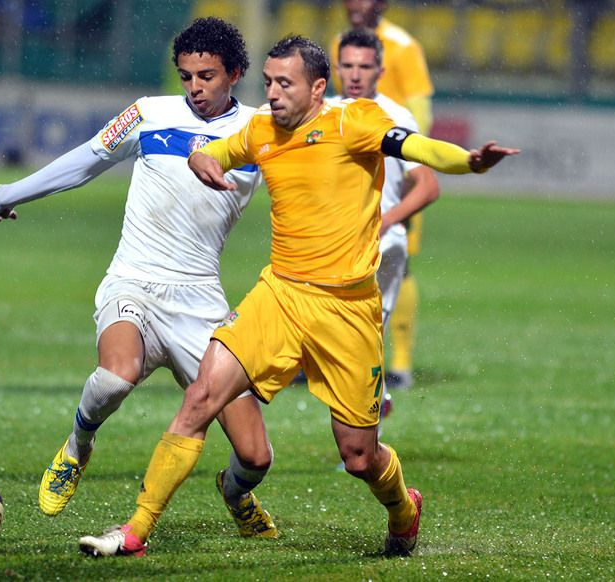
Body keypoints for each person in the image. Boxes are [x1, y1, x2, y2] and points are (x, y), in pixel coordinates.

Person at [79, 36, 518, 558]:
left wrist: (468, 161)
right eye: (268, 82)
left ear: (317, 87)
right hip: (280, 296)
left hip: (347, 310)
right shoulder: (262, 129)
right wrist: (202, 159)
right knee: (200, 397)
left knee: (359, 457)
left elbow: (418, 147)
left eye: (284, 83)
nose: (272, 93)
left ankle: (404, 509)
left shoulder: (354, 122)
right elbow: (215, 150)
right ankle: (135, 530)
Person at [0, 17, 277, 541]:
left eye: (207, 76)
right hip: (134, 281)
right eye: (186, 76)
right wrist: (11, 191)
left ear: (235, 73)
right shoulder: (148, 113)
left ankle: (235, 494)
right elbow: (85, 161)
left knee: (255, 456)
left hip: (200, 300)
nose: (194, 87)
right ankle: (78, 445)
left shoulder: (261, 131)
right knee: (117, 376)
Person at [330, 0, 434, 389]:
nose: (356, 4)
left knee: (397, 267)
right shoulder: (341, 41)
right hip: (349, 166)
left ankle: (399, 364)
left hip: (394, 161)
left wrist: (405, 158)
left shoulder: (403, 46)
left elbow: (421, 113)